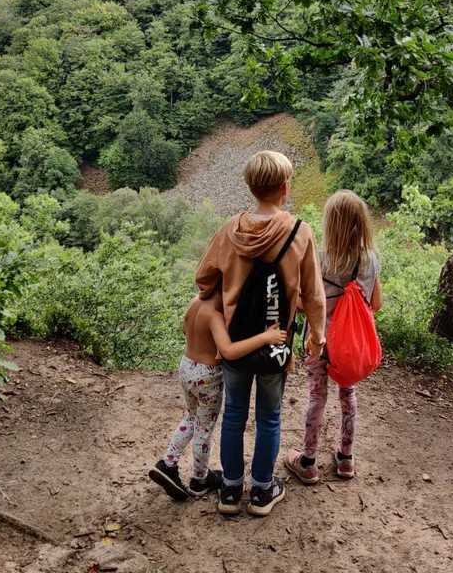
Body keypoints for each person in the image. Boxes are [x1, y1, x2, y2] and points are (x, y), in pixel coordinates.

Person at [195, 150, 326, 517]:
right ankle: (263, 491)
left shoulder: (229, 230)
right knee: (269, 416)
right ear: (285, 188)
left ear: (251, 187)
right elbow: (314, 294)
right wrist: (317, 334)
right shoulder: (300, 233)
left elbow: (204, 278)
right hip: (276, 343)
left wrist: (222, 296)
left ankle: (231, 491)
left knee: (234, 413)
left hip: (235, 343)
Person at [149, 293, 288, 501]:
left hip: (187, 366)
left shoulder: (195, 302)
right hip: (206, 377)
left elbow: (185, 328)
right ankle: (200, 479)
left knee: (191, 418)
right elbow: (228, 351)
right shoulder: (215, 315)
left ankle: (168, 462)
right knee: (204, 429)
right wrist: (266, 337)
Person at [284, 189, 381, 484]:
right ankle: (346, 459)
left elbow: (305, 303)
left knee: (316, 396)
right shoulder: (371, 260)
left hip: (319, 341)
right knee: (348, 395)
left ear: (330, 224)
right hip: (349, 346)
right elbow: (375, 304)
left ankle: (309, 461)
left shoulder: (321, 259)